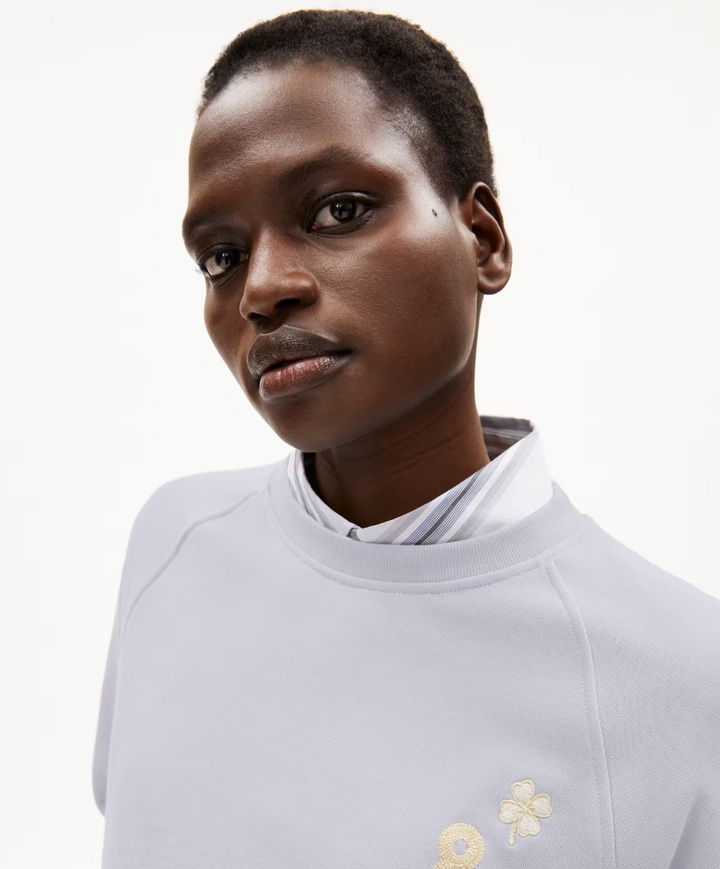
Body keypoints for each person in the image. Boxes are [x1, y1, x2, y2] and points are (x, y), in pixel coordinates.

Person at [91, 9, 720, 868]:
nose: (261, 290)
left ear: (483, 240)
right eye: (220, 257)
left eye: (338, 210)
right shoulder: (176, 543)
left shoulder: (676, 672)